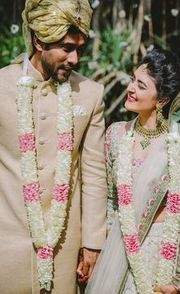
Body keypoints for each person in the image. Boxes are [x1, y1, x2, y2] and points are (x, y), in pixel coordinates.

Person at [85, 49, 180, 294]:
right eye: (133, 79)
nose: (131, 88)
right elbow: (111, 200)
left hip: (165, 253)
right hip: (117, 252)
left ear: (162, 99)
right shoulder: (115, 134)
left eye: (141, 85)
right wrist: (102, 254)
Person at [0, 0, 107, 293]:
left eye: (79, 48)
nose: (74, 59)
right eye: (66, 48)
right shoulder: (1, 86)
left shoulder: (90, 94)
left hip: (65, 247)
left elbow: (94, 174)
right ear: (38, 41)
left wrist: (93, 243)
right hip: (6, 243)